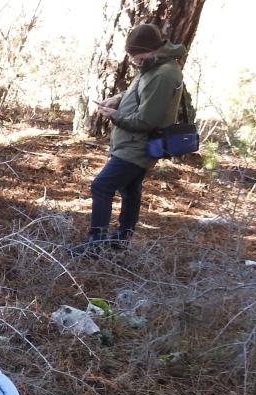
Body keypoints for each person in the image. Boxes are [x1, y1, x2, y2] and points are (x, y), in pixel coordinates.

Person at [77, 22, 188, 255]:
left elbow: (146, 121)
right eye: (131, 54)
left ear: (150, 49)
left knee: (101, 186)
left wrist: (114, 116)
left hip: (138, 145)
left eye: (135, 54)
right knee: (130, 189)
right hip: (132, 143)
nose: (133, 59)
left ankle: (95, 245)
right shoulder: (152, 66)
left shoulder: (163, 74)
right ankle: (120, 242)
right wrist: (117, 99)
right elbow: (139, 94)